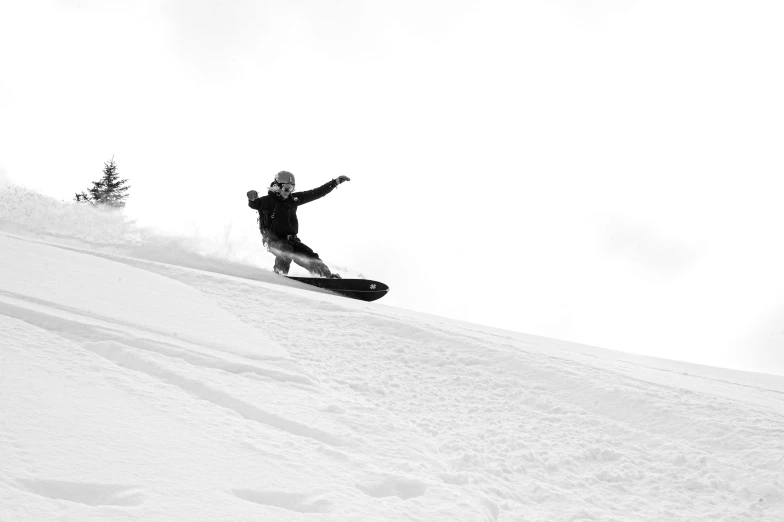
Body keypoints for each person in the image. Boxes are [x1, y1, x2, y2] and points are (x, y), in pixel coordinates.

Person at [247, 171, 350, 278]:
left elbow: (316, 193)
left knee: (310, 255)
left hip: (292, 240)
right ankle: (278, 275)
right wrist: (252, 198)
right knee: (286, 251)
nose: (288, 191)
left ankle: (327, 277)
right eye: (286, 188)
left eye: (291, 188)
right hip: (274, 241)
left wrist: (334, 183)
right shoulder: (268, 201)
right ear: (277, 186)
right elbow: (255, 204)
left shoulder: (293, 200)